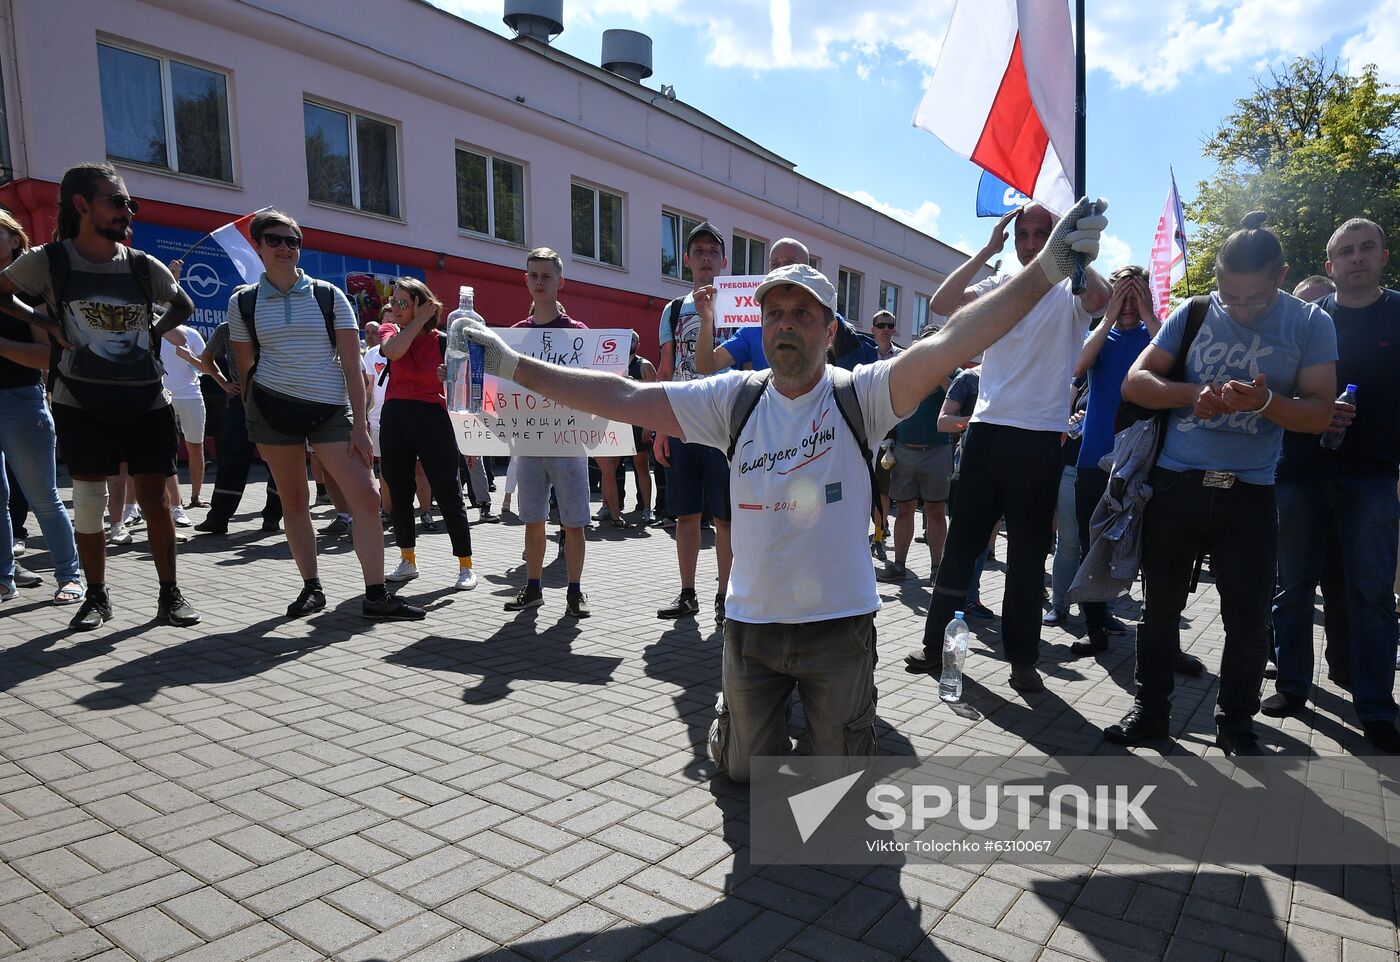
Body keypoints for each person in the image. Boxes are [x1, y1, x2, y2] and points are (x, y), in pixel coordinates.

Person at [456, 199, 1110, 781]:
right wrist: (511, 364)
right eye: (774, 313)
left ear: (830, 331)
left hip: (840, 628)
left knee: (843, 779)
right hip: (751, 628)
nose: (786, 324)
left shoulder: (863, 394)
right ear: (760, 327)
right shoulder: (732, 399)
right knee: (740, 772)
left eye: (803, 313)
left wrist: (1047, 269)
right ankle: (739, 720)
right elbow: (623, 394)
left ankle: (828, 722)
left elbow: (952, 340)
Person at [1105, 211, 1336, 755]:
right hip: (1177, 484)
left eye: (1253, 300)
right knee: (1159, 608)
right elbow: (1135, 382)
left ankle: (1236, 724)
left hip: (1251, 493)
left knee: (1247, 618)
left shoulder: (1309, 323)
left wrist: (1267, 402)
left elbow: (1321, 413)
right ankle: (1151, 712)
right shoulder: (1194, 312)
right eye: (1229, 296)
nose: (1240, 310)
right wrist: (1193, 394)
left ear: (1281, 276)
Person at [904, 203, 1111, 693]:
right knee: (960, 549)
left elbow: (1102, 297)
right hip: (986, 434)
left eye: (1044, 233)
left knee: (1025, 559)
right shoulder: (999, 288)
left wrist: (1077, 248)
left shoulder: (1070, 292)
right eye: (1025, 233)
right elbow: (941, 302)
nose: (1033, 241)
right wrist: (988, 248)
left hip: (1039, 440)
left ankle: (1022, 660)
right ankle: (937, 648)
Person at [0, 163, 199, 629]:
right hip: (80, 402)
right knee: (88, 501)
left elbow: (183, 304)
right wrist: (48, 324)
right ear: (82, 205)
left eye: (130, 203)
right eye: (117, 201)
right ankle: (96, 595)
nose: (127, 210)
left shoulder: (140, 264)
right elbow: (2, 292)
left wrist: (154, 329)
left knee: (156, 501)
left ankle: (169, 594)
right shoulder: (48, 261)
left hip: (148, 401)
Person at [228, 210, 423, 621]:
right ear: (258, 246)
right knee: (294, 502)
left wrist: (361, 426)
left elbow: (354, 368)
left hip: (329, 412)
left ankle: (375, 594)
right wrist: (253, 420)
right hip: (272, 413)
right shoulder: (243, 301)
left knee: (367, 499)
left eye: (292, 241)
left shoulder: (328, 296)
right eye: (275, 240)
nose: (285, 248)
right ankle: (311, 589)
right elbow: (245, 370)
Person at [1269, 217, 1400, 752]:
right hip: (1301, 472)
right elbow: (1276, 389)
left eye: (1366, 248)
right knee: (1292, 588)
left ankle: (1375, 707)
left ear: (1384, 256)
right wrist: (1317, 413)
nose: (1356, 258)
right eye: (1344, 251)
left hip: (1371, 473)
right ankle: (1292, 688)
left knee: (1371, 594)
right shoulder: (1306, 319)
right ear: (1329, 266)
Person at [1061, 267, 1161, 653]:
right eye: (1123, 294)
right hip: (1095, 456)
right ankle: (1095, 625)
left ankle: (1155, 632)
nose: (1129, 304)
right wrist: (1108, 314)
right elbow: (1079, 365)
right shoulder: (1100, 334)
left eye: (1136, 295)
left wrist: (1149, 313)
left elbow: (1177, 358)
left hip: (1144, 459)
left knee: (1146, 546)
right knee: (1092, 542)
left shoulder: (1157, 334)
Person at [502, 248, 591, 618]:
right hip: (528, 441)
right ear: (525, 279)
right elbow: (499, 384)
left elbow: (592, 386)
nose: (540, 282)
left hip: (568, 441)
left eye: (547, 276)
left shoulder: (578, 334)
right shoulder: (515, 336)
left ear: (560, 282)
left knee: (574, 521)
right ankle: (534, 587)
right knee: (532, 518)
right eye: (534, 275)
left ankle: (575, 591)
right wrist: (459, 377)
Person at [0, 209, 82, 606]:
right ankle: (4, 580)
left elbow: (48, 356)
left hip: (21, 400)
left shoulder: (30, 289)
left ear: (16, 239)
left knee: (42, 497)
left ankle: (70, 575)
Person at [377, 278, 477, 591]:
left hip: (433, 416)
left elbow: (464, 386)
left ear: (421, 304)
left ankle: (465, 565)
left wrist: (450, 377)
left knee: (448, 491)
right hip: (395, 416)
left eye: (403, 302)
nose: (395, 308)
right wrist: (416, 318)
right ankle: (408, 560)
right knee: (400, 490)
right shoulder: (389, 331)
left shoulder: (444, 340)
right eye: (394, 302)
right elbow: (393, 352)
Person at [655, 223, 732, 627]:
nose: (705, 258)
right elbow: (666, 369)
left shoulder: (739, 304)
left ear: (723, 261)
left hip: (724, 425)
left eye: (712, 252)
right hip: (684, 422)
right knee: (686, 514)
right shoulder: (672, 310)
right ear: (686, 260)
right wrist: (660, 427)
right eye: (698, 251)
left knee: (725, 518)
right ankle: (688, 593)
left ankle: (725, 596)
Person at [879, 325, 949, 584]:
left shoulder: (951, 370)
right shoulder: (906, 369)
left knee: (935, 511)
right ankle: (899, 565)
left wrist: (940, 371)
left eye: (936, 342)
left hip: (937, 451)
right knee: (905, 508)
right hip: (905, 451)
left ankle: (937, 568)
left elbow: (960, 397)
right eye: (926, 343)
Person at [596, 331, 655, 526]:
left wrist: (649, 425)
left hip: (638, 424)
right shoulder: (611, 365)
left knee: (641, 467)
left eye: (633, 340)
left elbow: (654, 398)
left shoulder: (644, 366)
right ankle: (607, 507)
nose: (630, 342)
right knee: (609, 468)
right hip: (616, 423)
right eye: (627, 340)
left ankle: (647, 509)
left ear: (638, 344)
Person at [160, 319, 207, 524]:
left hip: (191, 396)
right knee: (166, 450)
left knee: (195, 447)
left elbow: (206, 367)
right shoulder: (153, 334)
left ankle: (196, 497)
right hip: (162, 398)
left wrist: (188, 357)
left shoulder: (192, 334)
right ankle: (169, 499)